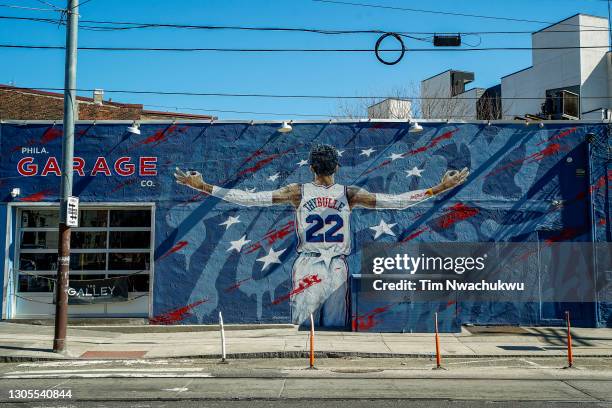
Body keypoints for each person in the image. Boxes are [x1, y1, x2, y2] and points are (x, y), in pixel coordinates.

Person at [175, 144, 468, 327]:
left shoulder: (298, 191)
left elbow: (251, 198)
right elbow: (395, 201)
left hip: (308, 262)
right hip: (337, 263)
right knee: (335, 324)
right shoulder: (348, 194)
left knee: (304, 325)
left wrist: (205, 187)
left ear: (312, 167)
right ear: (337, 167)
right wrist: (437, 189)